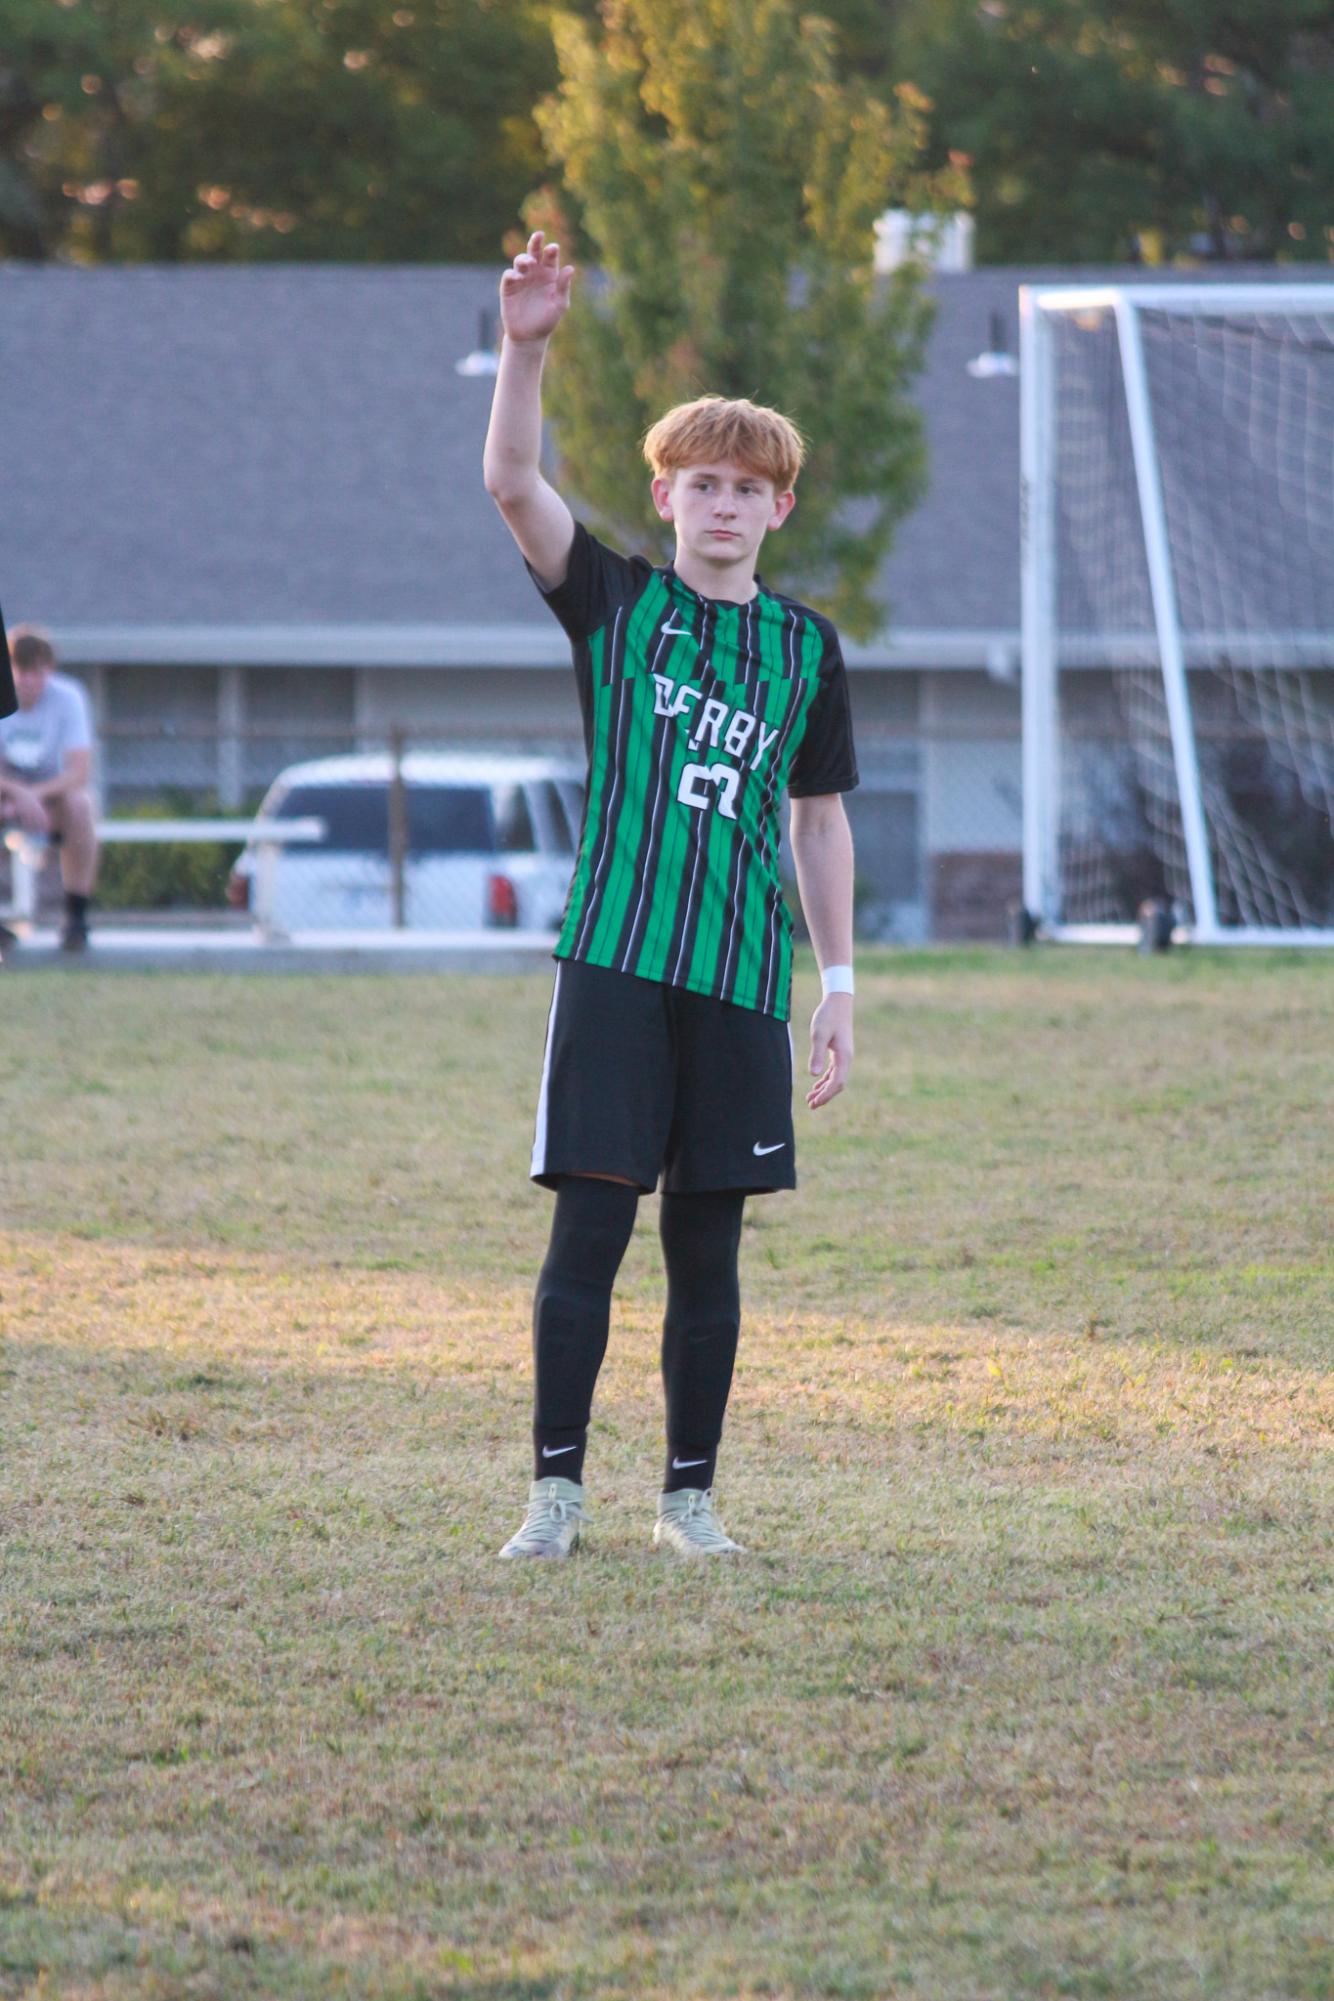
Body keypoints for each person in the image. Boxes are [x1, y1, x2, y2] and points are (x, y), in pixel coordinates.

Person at [484, 232, 858, 1560]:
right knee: (589, 1228)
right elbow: (511, 479)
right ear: (664, 495)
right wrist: (524, 346)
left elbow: (816, 821)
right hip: (617, 962)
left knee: (709, 1257)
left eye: (745, 488)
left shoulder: (806, 650)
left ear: (776, 510)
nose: (721, 504)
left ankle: (688, 1502)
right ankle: (554, 1495)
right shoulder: (616, 609)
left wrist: (840, 985)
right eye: (700, 482)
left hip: (743, 982)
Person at [0, 627, 99, 950]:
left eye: (36, 671)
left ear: (49, 670)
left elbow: (79, 772)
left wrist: (34, 796)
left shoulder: (69, 697)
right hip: (6, 795)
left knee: (81, 806)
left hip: (50, 799)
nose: (28, 681)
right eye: (21, 670)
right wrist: (16, 794)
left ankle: (75, 914)